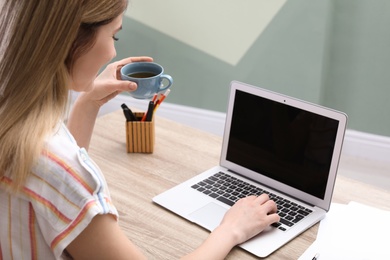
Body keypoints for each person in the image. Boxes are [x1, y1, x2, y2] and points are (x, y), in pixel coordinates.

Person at [0, 0, 280, 259]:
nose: (113, 52)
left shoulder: (13, 120)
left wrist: (89, 101)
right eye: (114, 35)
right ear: (72, 38)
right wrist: (231, 230)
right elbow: (64, 179)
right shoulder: (61, 169)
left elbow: (57, 191)